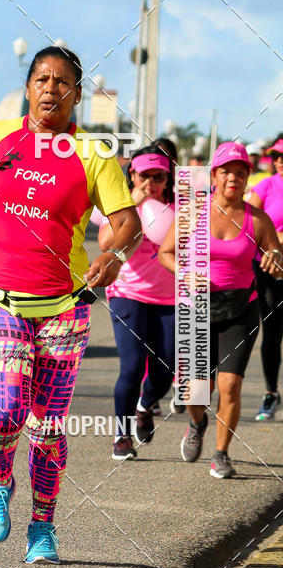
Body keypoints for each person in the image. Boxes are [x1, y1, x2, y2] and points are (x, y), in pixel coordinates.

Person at [0, 46, 141, 563]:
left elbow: (127, 223)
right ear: (28, 88)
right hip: (1, 300)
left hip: (64, 307)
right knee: (5, 413)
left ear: (76, 93)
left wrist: (113, 255)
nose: (51, 88)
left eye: (63, 81)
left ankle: (43, 527)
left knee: (46, 428)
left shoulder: (94, 155)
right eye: (42, 79)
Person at [159, 142, 282, 478]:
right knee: (197, 389)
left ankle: (221, 453)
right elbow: (165, 253)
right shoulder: (193, 213)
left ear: (247, 178)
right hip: (198, 307)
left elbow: (277, 259)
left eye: (241, 172)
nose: (234, 177)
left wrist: (276, 261)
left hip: (241, 308)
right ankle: (197, 422)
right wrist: (187, 272)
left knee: (229, 385)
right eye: (227, 171)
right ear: (214, 175)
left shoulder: (257, 219)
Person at [99, 149, 176, 460]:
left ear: (168, 178)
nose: (152, 183)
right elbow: (105, 242)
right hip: (127, 292)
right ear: (132, 175)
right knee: (131, 367)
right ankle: (121, 435)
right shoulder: (121, 204)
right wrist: (135, 201)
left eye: (159, 177)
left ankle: (146, 404)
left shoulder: (178, 208)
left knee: (166, 370)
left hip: (168, 297)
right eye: (145, 175)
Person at [248, 135, 283, 419]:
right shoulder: (265, 186)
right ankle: (271, 394)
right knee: (271, 332)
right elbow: (246, 224)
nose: (281, 161)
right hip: (268, 271)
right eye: (278, 156)